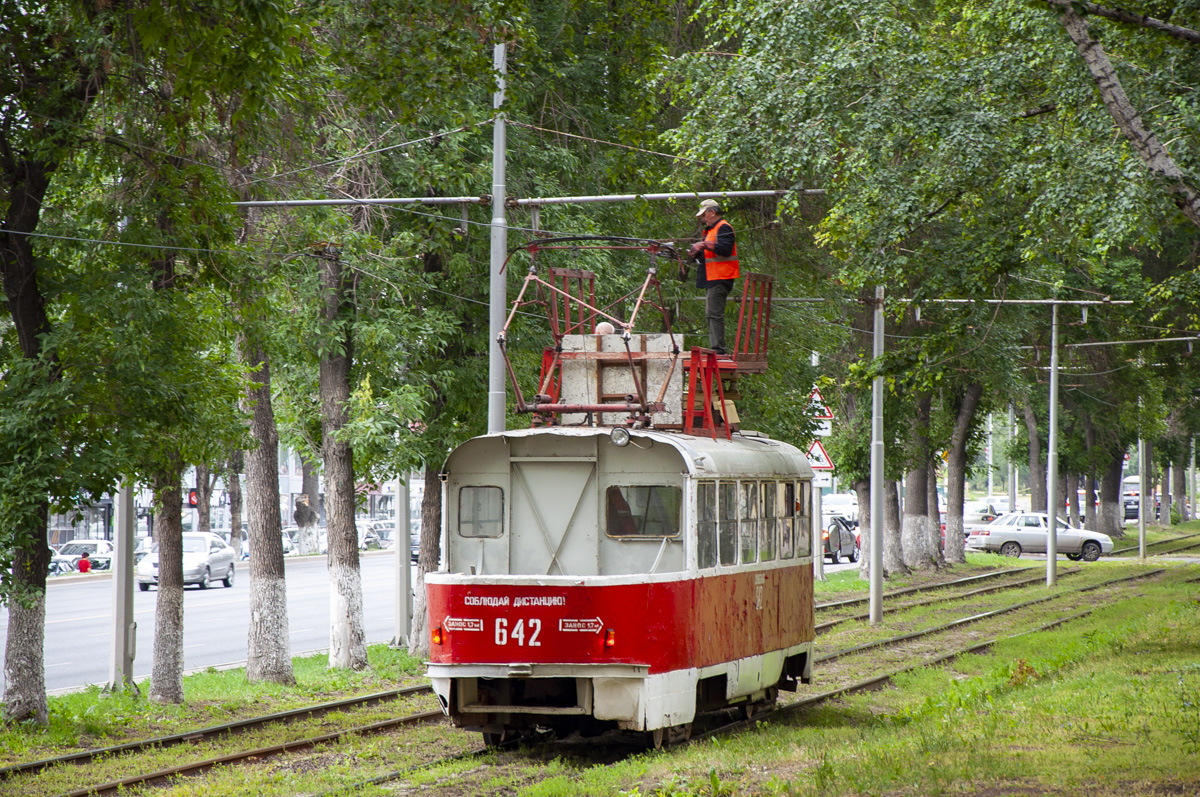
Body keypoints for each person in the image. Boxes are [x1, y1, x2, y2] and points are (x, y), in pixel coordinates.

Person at [687, 199, 738, 354]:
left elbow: (725, 249)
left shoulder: (723, 227)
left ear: (712, 212)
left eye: (704, 215)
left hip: (721, 277)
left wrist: (702, 245)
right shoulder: (711, 230)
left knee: (714, 313)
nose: (703, 219)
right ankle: (717, 348)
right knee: (711, 313)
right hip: (713, 277)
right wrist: (696, 252)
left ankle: (719, 350)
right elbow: (710, 253)